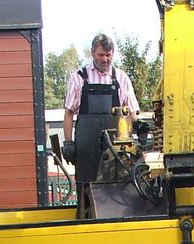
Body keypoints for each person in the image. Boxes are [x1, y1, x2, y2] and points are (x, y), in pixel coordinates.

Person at [62, 33, 147, 215]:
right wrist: (68, 142)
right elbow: (69, 112)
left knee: (118, 186)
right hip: (87, 146)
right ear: (92, 53)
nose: (105, 59)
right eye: (101, 55)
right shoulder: (78, 77)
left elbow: (131, 110)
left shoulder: (121, 78)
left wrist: (139, 127)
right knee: (86, 187)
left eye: (109, 55)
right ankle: (85, 221)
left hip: (115, 148)